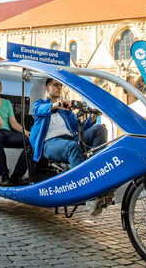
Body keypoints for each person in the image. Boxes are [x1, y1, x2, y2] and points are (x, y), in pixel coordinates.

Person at [30, 78, 108, 214]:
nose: (59, 87)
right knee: (72, 147)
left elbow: (79, 128)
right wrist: (56, 105)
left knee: (100, 129)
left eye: (60, 85)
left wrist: (92, 119)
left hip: (70, 139)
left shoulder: (65, 110)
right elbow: (39, 110)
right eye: (55, 85)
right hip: (50, 144)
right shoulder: (40, 103)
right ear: (47, 88)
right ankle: (84, 192)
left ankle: (96, 171)